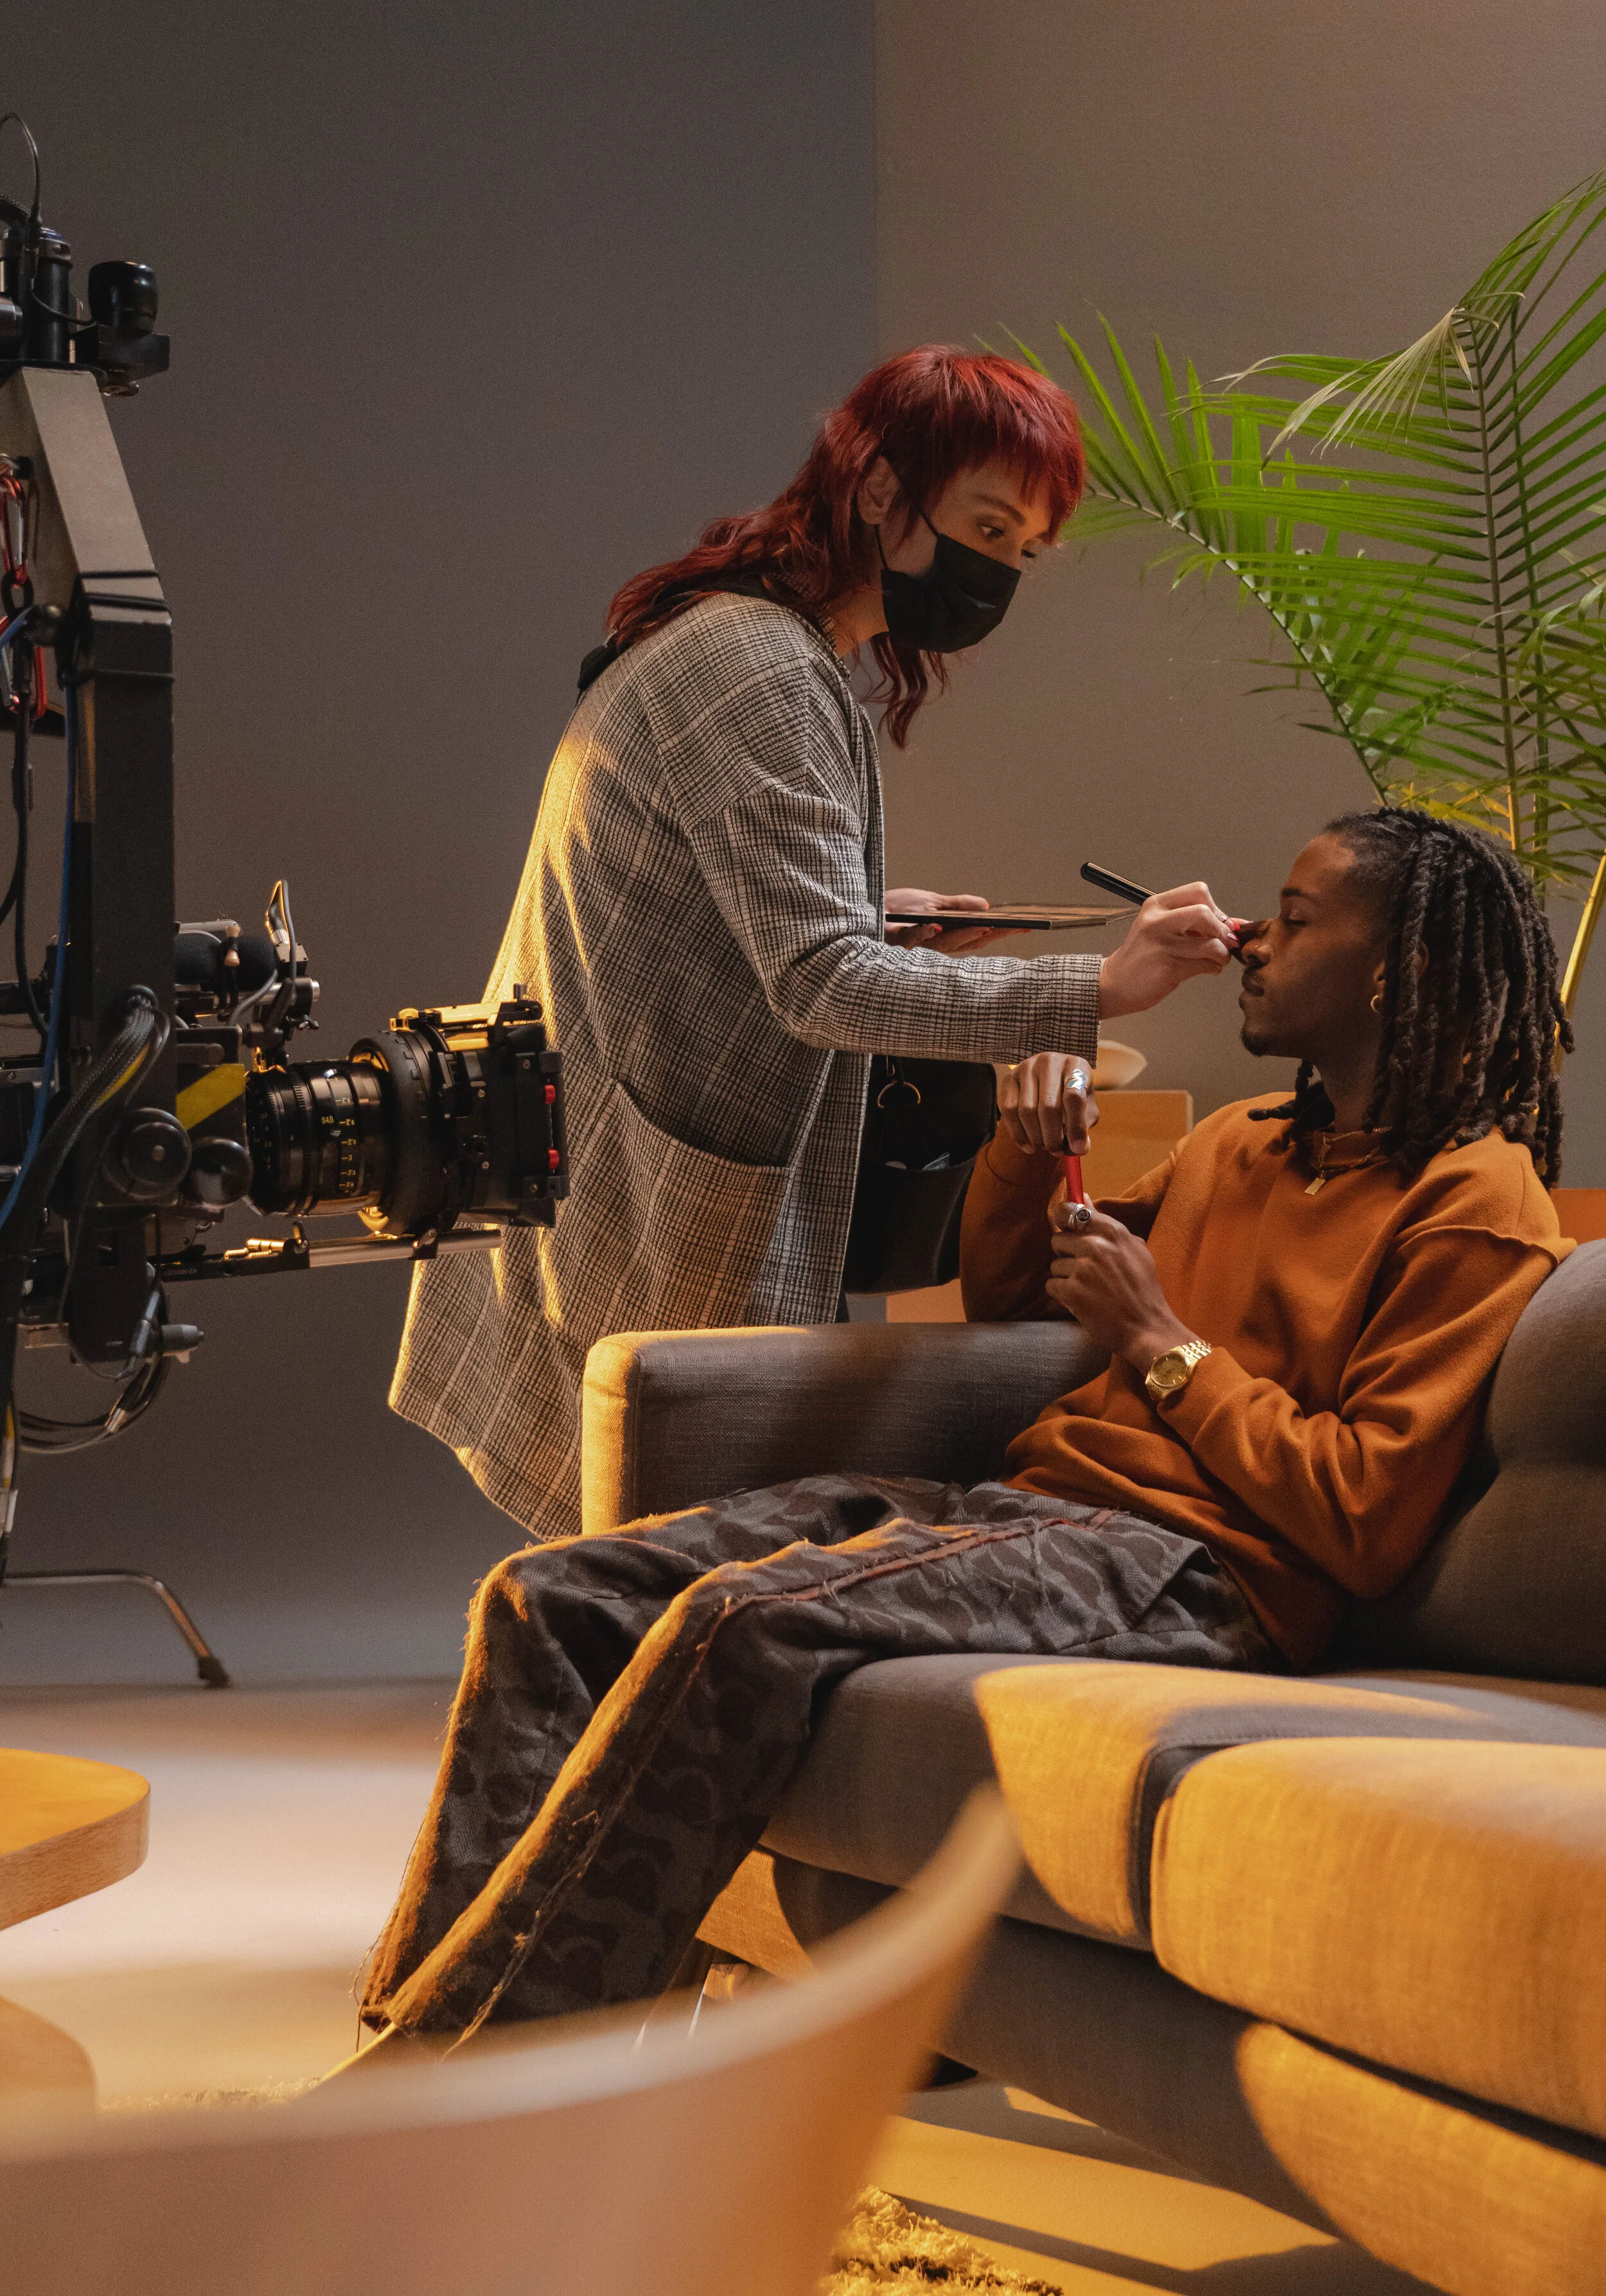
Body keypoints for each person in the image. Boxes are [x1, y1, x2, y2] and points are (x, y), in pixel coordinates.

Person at [345, 805, 1571, 2061]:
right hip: (1029, 1506)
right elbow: (1009, 1300)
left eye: (1297, 919)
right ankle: (427, 2034)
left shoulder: (1474, 1200)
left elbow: (1363, 1519)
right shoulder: (1237, 1142)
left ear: (1397, 969)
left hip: (1196, 1570)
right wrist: (1020, 1147)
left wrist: (1161, 1346)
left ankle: (462, 2086)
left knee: (741, 1623)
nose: (1252, 935)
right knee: (555, 1592)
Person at [388, 346, 1239, 1539]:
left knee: (666, 1564)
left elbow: (717, 900)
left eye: (1025, 552)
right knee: (668, 1552)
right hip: (652, 1185)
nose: (996, 571)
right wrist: (1103, 985)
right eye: (986, 525)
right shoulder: (759, 673)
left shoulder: (761, 644)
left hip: (619, 1151)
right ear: (883, 489)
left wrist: (864, 908)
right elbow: (820, 982)